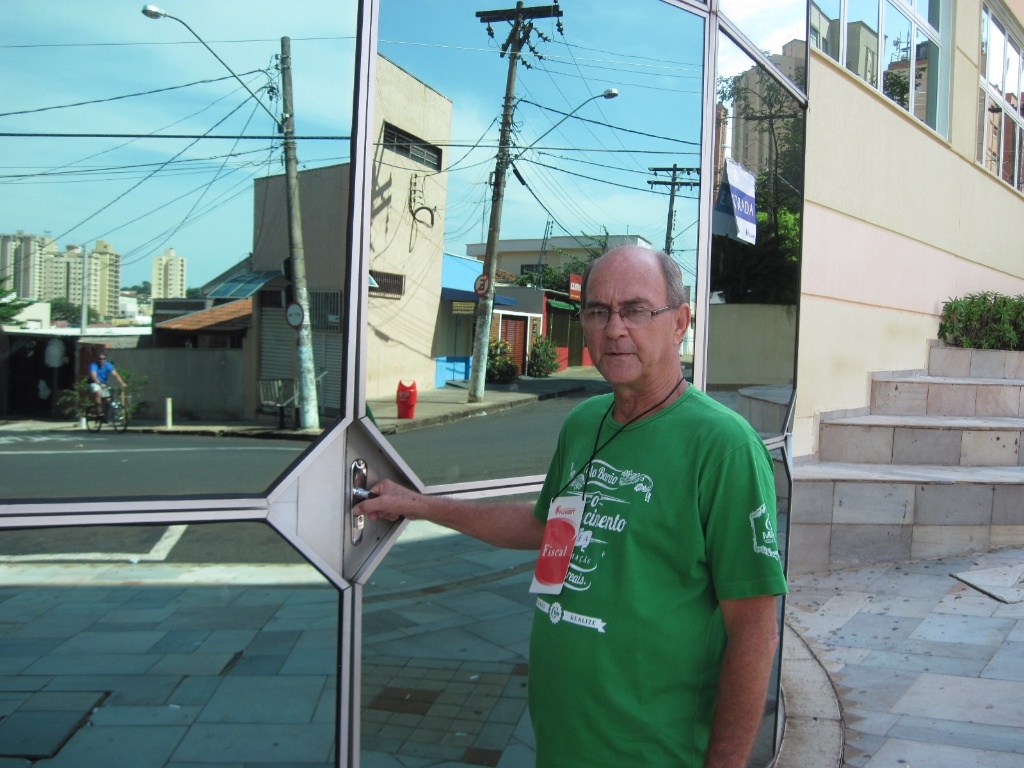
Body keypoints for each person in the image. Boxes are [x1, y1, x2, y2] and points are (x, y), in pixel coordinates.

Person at [361, 245, 788, 768]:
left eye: (636, 310)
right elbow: (543, 528)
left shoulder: (725, 448)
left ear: (680, 323)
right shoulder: (584, 424)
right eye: (598, 311)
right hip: (564, 743)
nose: (614, 329)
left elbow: (755, 633)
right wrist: (420, 505)